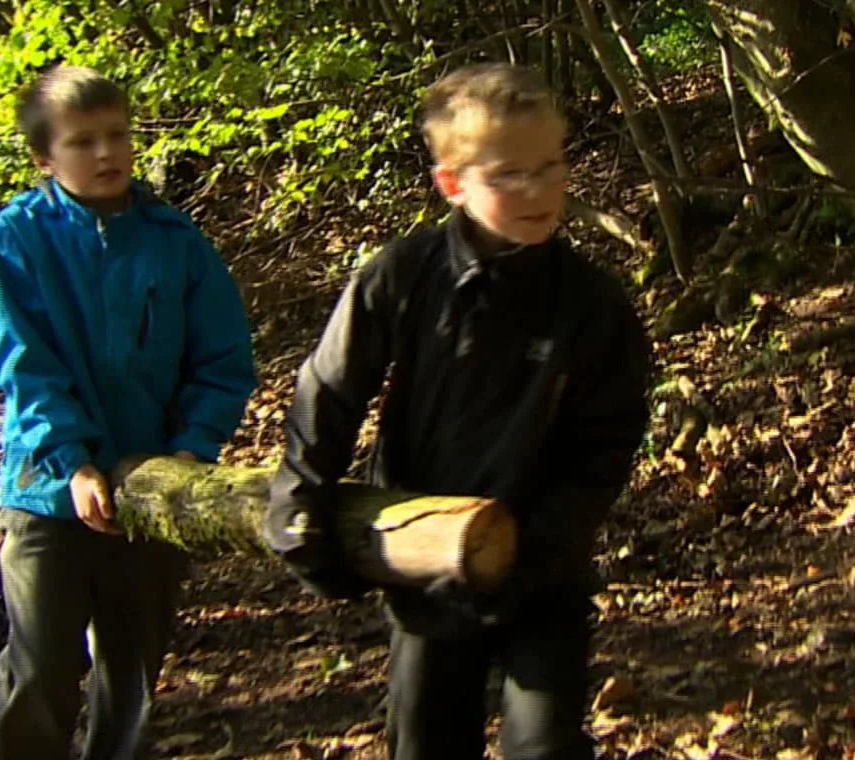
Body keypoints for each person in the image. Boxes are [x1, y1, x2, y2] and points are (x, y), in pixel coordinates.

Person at [264, 62, 650, 759]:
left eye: (550, 165)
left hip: (542, 573)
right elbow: (329, 391)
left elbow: (607, 442)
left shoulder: (591, 305)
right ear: (453, 183)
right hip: (423, 567)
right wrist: (302, 512)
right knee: (427, 742)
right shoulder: (403, 276)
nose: (537, 189)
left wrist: (536, 549)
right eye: (507, 175)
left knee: (546, 745)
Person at [0, 65, 256, 759]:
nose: (106, 154)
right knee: (41, 665)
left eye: (117, 135)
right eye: (82, 141)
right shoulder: (18, 238)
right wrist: (71, 463)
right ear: (45, 157)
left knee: (131, 671)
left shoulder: (174, 240)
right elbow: (22, 363)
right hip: (46, 492)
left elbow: (221, 357)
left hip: (149, 488)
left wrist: (189, 451)